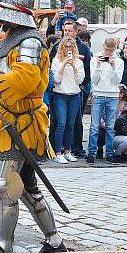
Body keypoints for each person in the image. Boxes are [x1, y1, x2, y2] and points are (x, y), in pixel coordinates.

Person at [0, 0, 66, 253]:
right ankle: (54, 241)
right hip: (5, 119)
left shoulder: (30, 42)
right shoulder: (10, 39)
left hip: (23, 124)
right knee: (25, 188)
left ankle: (5, 245)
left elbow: (23, 81)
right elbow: (2, 85)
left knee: (3, 186)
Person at [87, 38, 124, 164]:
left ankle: (109, 153)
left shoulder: (119, 61)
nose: (108, 53)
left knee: (110, 127)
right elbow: (94, 79)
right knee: (94, 126)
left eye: (111, 50)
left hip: (113, 95)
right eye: (106, 49)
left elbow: (117, 81)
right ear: (103, 46)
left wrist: (113, 66)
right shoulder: (95, 59)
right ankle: (91, 153)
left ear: (114, 49)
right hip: (98, 94)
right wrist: (98, 65)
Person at [50, 36, 84, 164]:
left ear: (74, 48)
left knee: (71, 125)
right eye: (66, 46)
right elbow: (56, 80)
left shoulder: (79, 62)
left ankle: (68, 151)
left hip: (74, 95)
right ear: (62, 48)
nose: (68, 49)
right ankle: (58, 152)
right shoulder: (56, 61)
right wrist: (64, 64)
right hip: (60, 95)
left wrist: (74, 66)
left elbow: (80, 80)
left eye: (70, 46)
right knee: (61, 124)